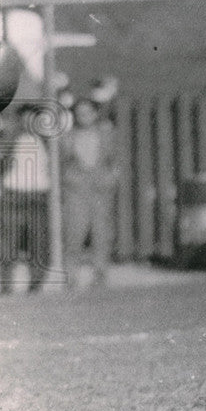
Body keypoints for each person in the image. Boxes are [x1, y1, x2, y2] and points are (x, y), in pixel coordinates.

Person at [60, 97, 119, 288]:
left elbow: (116, 161)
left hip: (100, 190)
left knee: (101, 233)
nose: (82, 116)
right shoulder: (67, 136)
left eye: (87, 112)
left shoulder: (107, 134)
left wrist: (110, 180)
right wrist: (69, 180)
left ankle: (100, 275)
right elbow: (60, 164)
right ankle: (70, 276)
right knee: (74, 233)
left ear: (95, 114)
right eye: (78, 113)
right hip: (76, 190)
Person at [0, 103, 51, 293]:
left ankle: (35, 287)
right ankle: (6, 288)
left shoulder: (48, 141)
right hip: (14, 196)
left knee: (39, 244)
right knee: (8, 244)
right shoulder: (10, 139)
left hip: (38, 197)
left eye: (33, 118)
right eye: (24, 118)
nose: (28, 123)